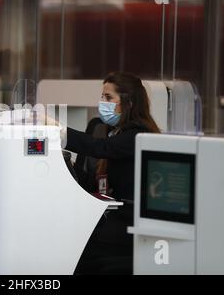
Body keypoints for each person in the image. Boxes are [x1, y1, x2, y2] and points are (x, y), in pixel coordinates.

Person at [63, 72, 161, 274]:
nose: (102, 102)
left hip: (131, 222)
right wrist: (69, 165)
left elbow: (99, 148)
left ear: (129, 102)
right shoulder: (116, 133)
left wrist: (59, 132)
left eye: (109, 97)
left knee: (79, 252)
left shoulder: (137, 135)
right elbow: (97, 184)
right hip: (114, 216)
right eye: (102, 96)